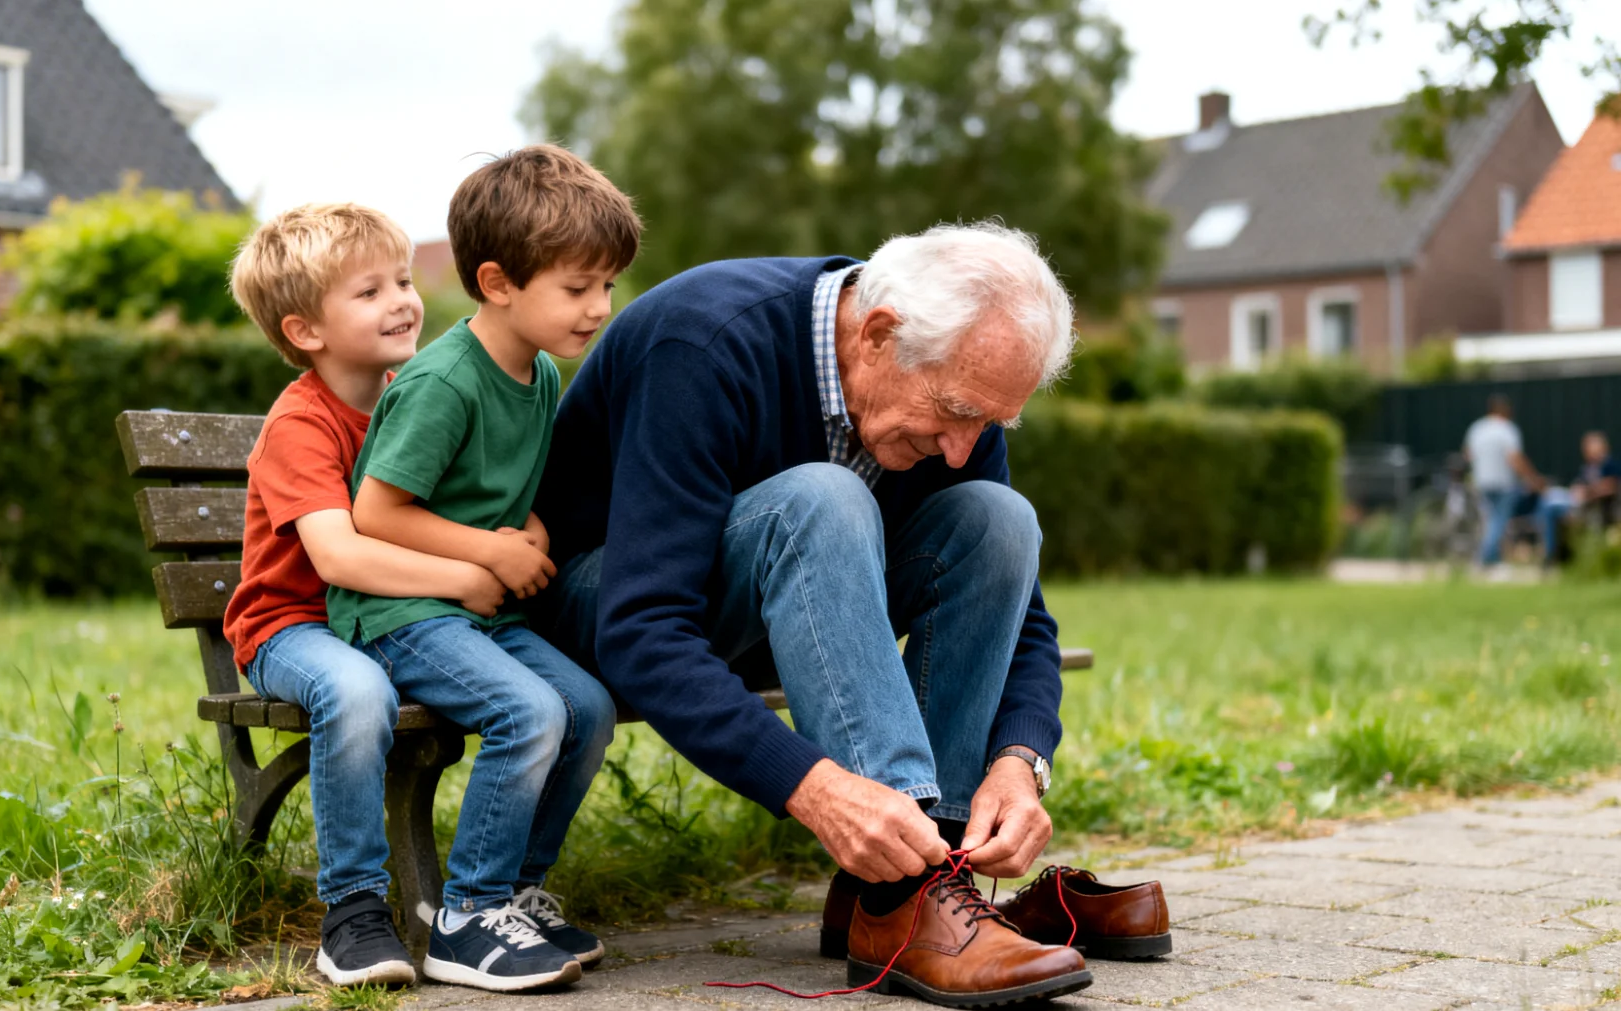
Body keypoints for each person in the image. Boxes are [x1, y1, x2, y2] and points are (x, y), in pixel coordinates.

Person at [530, 222, 1097, 1006]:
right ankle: (910, 895)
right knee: (823, 499)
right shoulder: (705, 340)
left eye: (990, 423)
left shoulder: (953, 413)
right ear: (878, 333)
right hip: (598, 611)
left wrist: (1019, 759)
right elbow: (641, 629)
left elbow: (1027, 616)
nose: (963, 446)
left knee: (999, 520)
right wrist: (815, 787)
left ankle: (912, 883)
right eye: (956, 410)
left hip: (788, 612)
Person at [327, 146, 638, 993]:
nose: (599, 309)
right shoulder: (444, 382)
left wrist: (525, 526)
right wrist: (493, 550)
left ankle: (513, 893)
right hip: (398, 615)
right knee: (530, 711)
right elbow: (376, 513)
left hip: (475, 611)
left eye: (606, 286)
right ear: (498, 282)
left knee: (587, 707)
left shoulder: (537, 372)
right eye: (577, 289)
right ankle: (464, 916)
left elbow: (501, 490)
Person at [222, 203, 507, 987]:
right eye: (370, 291)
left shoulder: (411, 396)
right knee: (355, 689)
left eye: (405, 280)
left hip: (392, 619)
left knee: (550, 689)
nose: (403, 301)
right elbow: (338, 554)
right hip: (293, 627)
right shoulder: (301, 424)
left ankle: (492, 902)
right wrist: (465, 578)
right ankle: (352, 910)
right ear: (305, 330)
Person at [1463, 395, 1543, 569]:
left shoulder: (1477, 428)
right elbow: (1514, 459)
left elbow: (1468, 454)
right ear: (1505, 410)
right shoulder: (1507, 429)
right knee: (1499, 520)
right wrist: (1532, 478)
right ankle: (1485, 558)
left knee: (1488, 520)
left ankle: (1494, 557)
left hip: (1481, 482)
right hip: (1503, 482)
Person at [1539, 430, 1621, 565]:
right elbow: (1578, 485)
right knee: (1548, 505)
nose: (1587, 452)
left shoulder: (1611, 465)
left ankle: (1554, 556)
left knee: (1553, 510)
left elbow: (1611, 486)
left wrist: (1588, 492)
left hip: (1597, 509)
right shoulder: (1587, 468)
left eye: (1589, 447)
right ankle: (1553, 555)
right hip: (1579, 505)